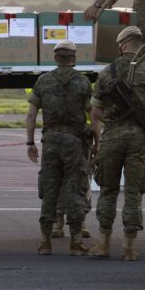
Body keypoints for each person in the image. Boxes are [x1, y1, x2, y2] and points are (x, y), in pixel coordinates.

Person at [88, 26, 145, 261]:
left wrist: (113, 121)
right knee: (134, 192)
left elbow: (96, 112)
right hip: (140, 138)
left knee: (108, 190)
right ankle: (129, 247)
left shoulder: (109, 71)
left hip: (112, 138)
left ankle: (103, 244)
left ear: (123, 44)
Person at [26, 40, 95, 256]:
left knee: (50, 189)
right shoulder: (83, 83)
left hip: (51, 142)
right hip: (75, 142)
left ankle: (45, 241)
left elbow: (31, 115)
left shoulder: (43, 81)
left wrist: (30, 142)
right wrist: (98, 142)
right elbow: (93, 114)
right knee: (75, 189)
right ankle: (75, 241)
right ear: (73, 58)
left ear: (55, 57)